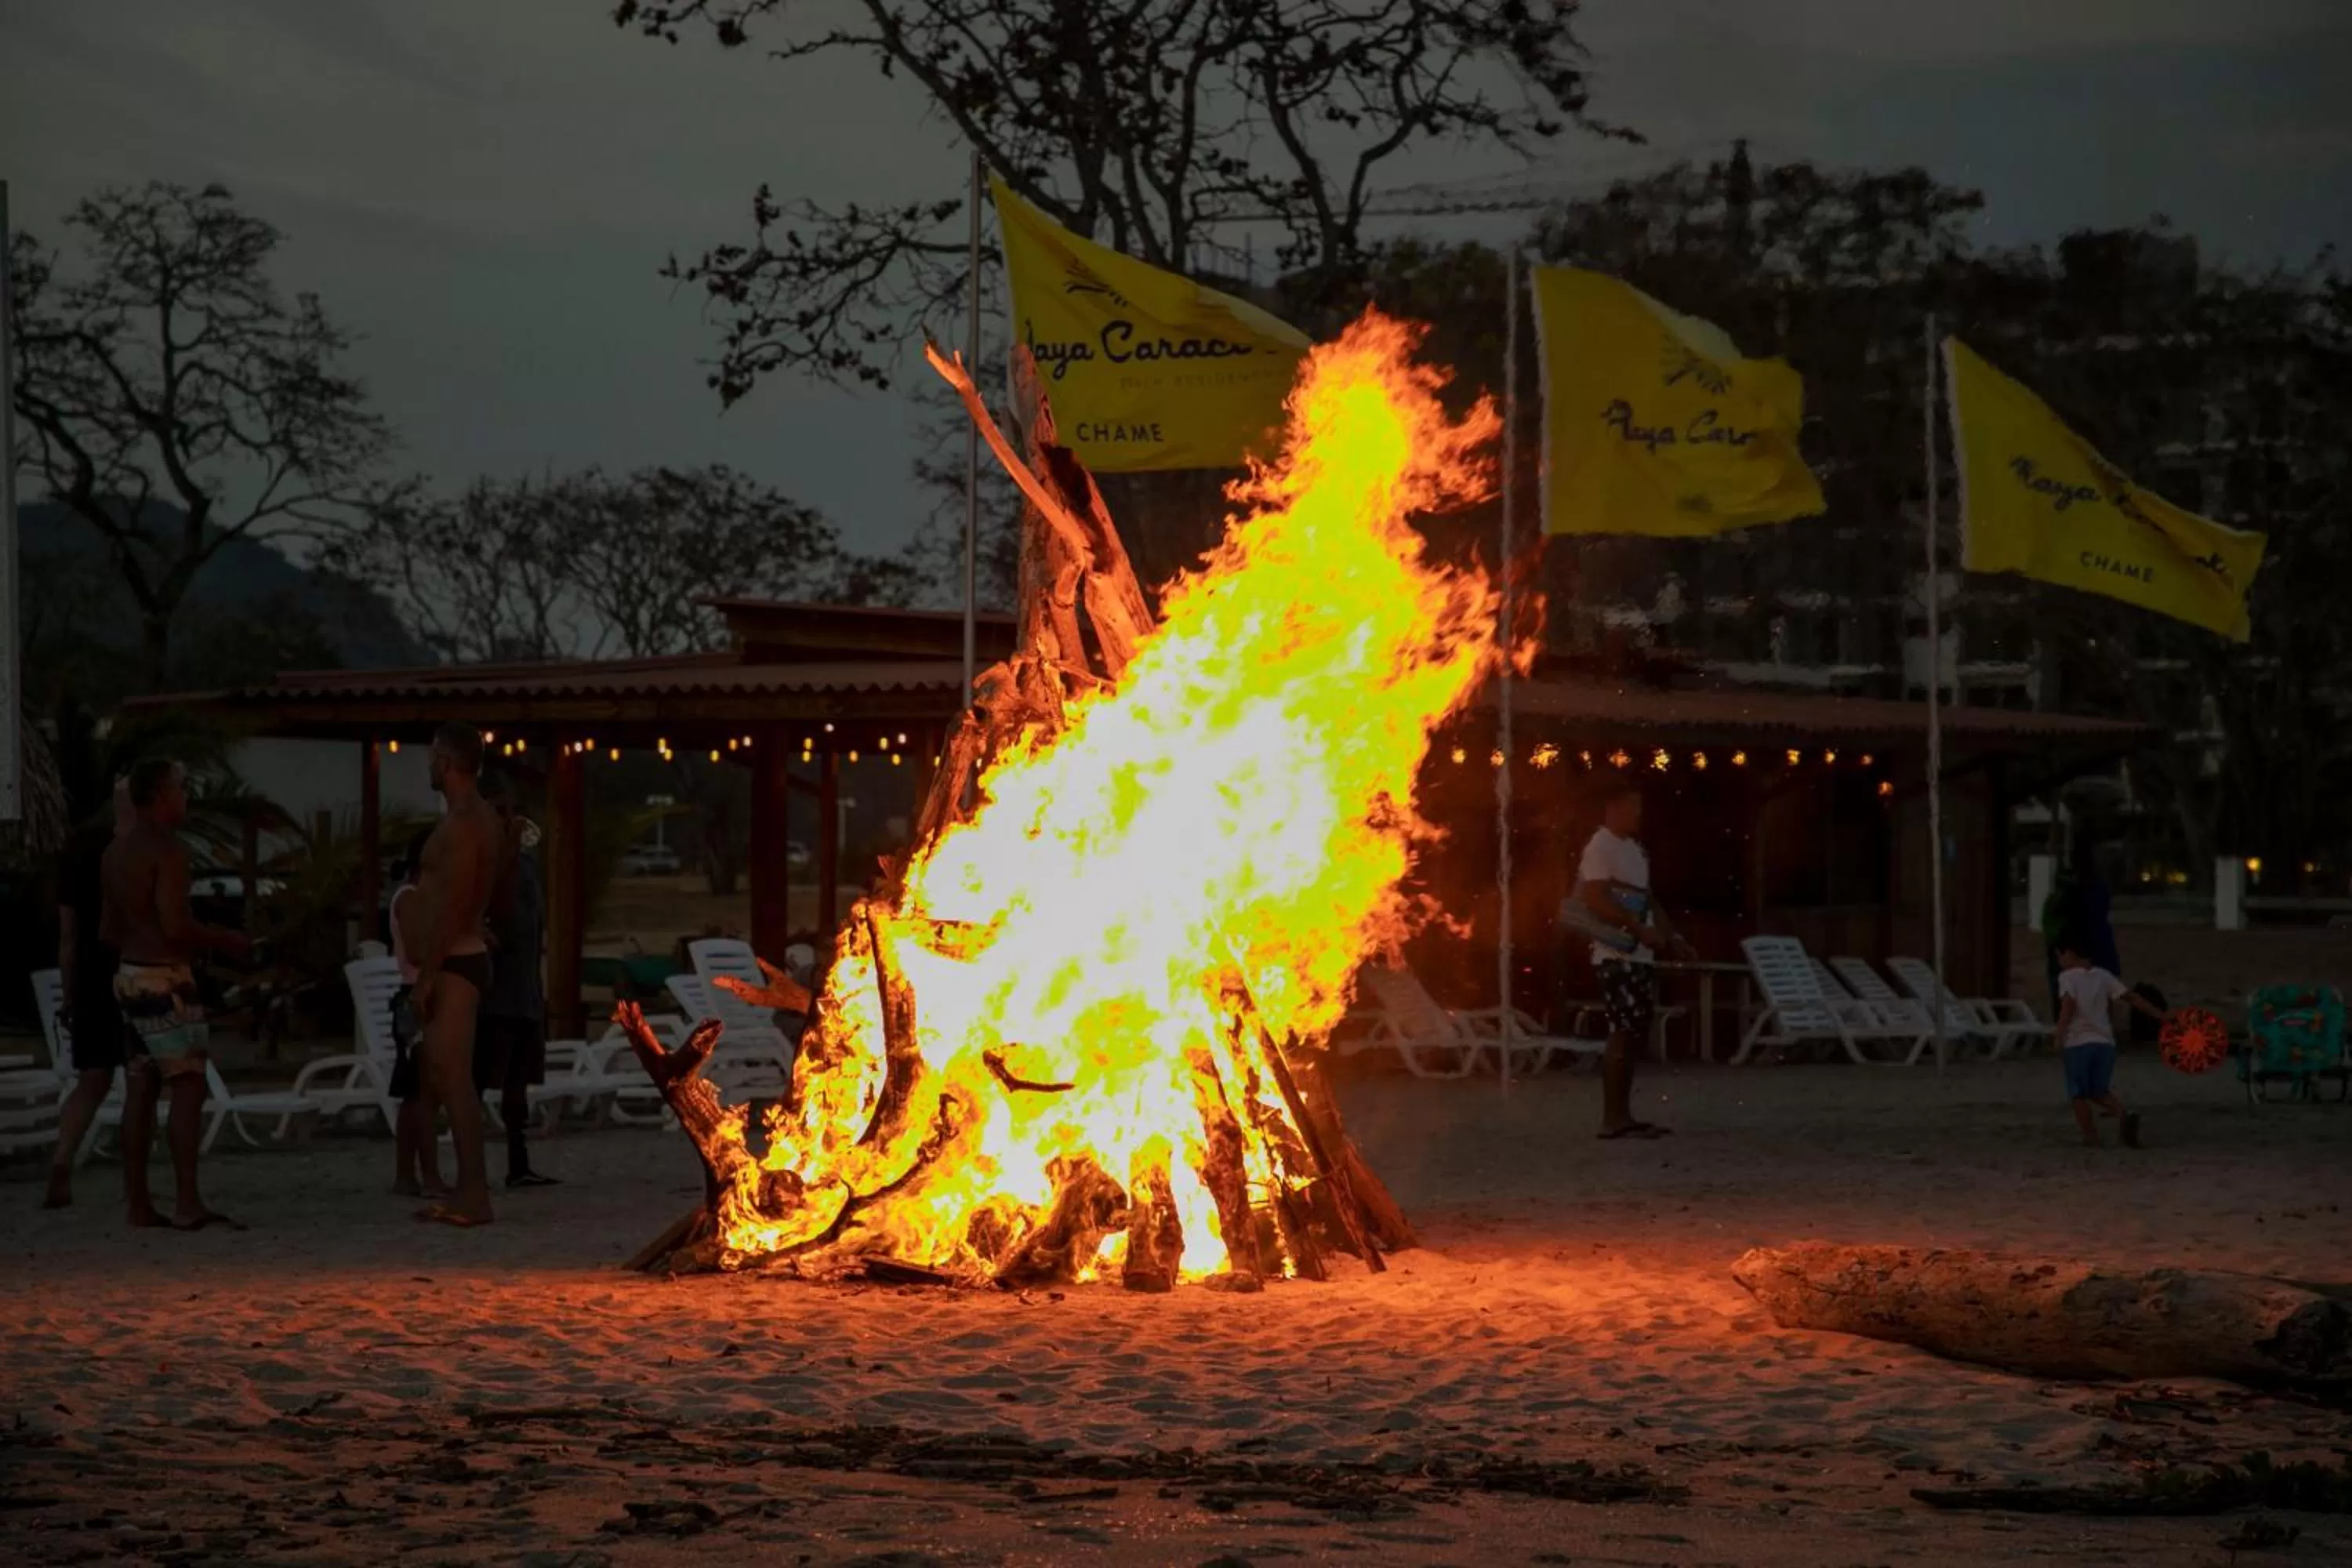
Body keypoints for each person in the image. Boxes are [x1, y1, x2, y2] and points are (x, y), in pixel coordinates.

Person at [101, 758, 251, 1229]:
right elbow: (175, 925)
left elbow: (108, 928)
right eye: (182, 789)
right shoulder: (168, 853)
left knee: (140, 1089)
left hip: (128, 974)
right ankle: (188, 1202)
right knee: (188, 1087)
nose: (187, 798)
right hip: (165, 980)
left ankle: (138, 1202)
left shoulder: (115, 853)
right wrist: (225, 940)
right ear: (162, 795)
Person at [409, 723, 502, 1227]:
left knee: (454, 1078)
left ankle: (474, 1193)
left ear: (446, 761)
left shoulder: (467, 822)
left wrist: (427, 975)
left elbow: (455, 902)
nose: (427, 767)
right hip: (455, 956)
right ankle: (467, 1190)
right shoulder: (473, 819)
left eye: (431, 757)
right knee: (445, 1078)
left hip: (453, 961)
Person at [1573, 782, 1693, 1140]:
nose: (1638, 814)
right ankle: (1612, 1119)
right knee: (1622, 1032)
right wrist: (1637, 929)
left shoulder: (1635, 849)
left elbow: (1648, 898)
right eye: (1632, 807)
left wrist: (1673, 937)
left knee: (1634, 1032)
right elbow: (1594, 898)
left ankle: (1624, 1116)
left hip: (1639, 955)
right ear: (1613, 808)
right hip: (1615, 953)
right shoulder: (1600, 846)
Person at [42, 779, 136, 1210]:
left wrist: (68, 994)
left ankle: (62, 1159)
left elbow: (67, 936)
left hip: (90, 979)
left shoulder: (78, 852)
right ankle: (136, 1181)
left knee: (92, 1080)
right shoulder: (137, 848)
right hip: (132, 971)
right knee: (142, 1076)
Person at [478, 769, 557, 1189]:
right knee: (478, 1081)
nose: (508, 820)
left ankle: (518, 1161)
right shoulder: (485, 864)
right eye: (499, 812)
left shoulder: (525, 865)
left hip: (525, 988)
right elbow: (500, 908)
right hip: (494, 992)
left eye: (510, 812)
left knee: (518, 1082)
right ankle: (468, 1169)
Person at [2053, 939, 2165, 1149]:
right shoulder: (2103, 976)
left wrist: (2059, 1033)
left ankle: (2091, 1136)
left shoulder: (2067, 977)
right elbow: (2131, 998)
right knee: (2098, 1090)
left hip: (2078, 1042)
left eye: (2059, 955)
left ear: (2069, 954)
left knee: (2078, 1093)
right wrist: (2161, 1015)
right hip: (2104, 1043)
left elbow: (2068, 1006)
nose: (2059, 961)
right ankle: (2124, 1114)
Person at [387, 829, 447, 1199]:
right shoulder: (410, 899)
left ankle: (406, 1175)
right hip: (417, 996)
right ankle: (430, 1175)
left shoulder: (423, 898)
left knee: (414, 1093)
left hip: (419, 994)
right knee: (425, 1091)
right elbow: (417, 951)